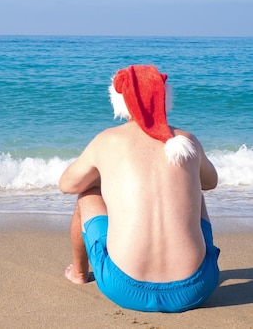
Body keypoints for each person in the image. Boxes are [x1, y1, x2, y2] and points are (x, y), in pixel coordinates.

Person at [59, 64, 220, 313]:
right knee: (194, 189)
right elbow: (210, 182)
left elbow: (67, 185)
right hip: (197, 288)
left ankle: (79, 273)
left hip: (124, 289)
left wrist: (109, 181)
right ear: (164, 98)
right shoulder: (185, 140)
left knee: (87, 194)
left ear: (120, 102)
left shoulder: (107, 140)